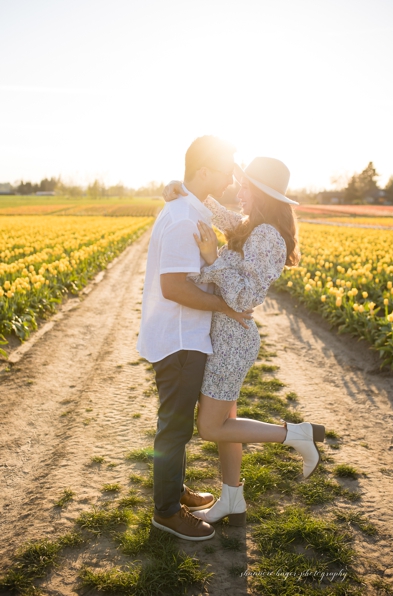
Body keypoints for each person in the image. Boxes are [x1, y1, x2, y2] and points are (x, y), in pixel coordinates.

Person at [159, 157, 327, 527]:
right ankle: (232, 499)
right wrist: (181, 188)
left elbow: (245, 298)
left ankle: (297, 435)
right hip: (225, 333)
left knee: (210, 426)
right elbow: (218, 214)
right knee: (227, 421)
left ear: (265, 196)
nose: (239, 192)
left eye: (247, 188)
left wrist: (209, 259)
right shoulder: (254, 226)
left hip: (233, 339)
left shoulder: (267, 236)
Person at [138, 135, 252, 541]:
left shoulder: (188, 207)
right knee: (174, 428)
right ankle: (166, 513)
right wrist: (226, 306)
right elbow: (174, 287)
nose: (229, 179)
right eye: (225, 170)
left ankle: (175, 491)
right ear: (203, 170)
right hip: (180, 338)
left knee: (177, 424)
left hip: (182, 335)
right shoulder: (185, 216)